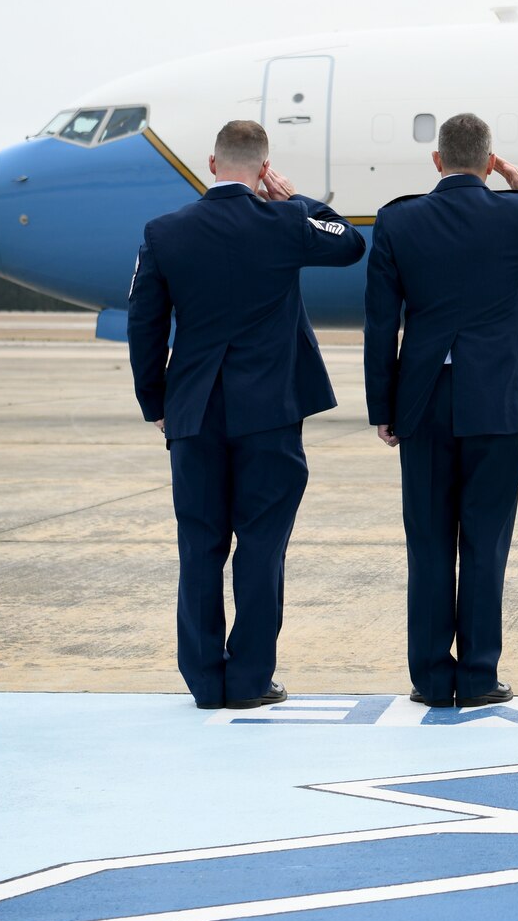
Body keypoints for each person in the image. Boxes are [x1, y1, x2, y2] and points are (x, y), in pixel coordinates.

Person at [127, 120, 366, 710]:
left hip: (195, 412)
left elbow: (145, 327)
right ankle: (251, 679)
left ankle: (206, 680)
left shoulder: (165, 232)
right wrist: (296, 199)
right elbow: (350, 241)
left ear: (212, 164)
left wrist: (156, 402)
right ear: (264, 167)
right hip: (271, 411)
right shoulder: (285, 222)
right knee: (262, 546)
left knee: (200, 545)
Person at [363, 113, 518, 709]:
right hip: (497, 401)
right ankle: (477, 676)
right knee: (487, 542)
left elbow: (379, 323)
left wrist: (381, 404)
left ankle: (429, 677)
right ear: (490, 161)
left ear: (437, 161)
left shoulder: (398, 219)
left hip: (423, 400)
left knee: (429, 543)